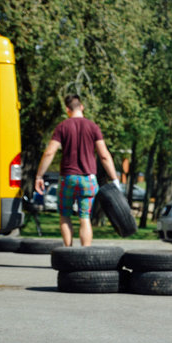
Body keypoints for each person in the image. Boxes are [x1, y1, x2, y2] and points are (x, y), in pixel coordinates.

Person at [34, 94, 120, 247]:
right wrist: (114, 179)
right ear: (82, 107)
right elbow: (104, 156)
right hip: (88, 179)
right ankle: (84, 256)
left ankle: (68, 252)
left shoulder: (62, 127)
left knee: (65, 216)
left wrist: (39, 175)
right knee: (84, 218)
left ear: (67, 109)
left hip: (68, 178)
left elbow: (49, 152)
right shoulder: (93, 127)